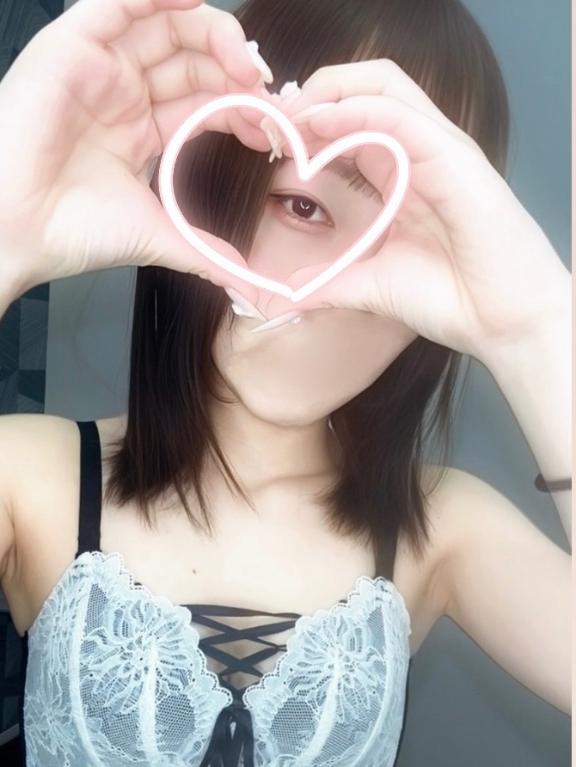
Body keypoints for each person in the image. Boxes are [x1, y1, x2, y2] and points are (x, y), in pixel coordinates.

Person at [0, 0, 571, 764]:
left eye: (395, 241)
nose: (328, 288)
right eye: (303, 205)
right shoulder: (26, 476)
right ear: (211, 185)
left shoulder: (445, 528)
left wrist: (536, 325)